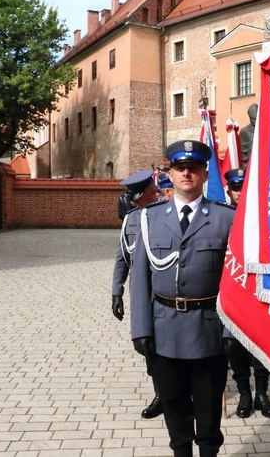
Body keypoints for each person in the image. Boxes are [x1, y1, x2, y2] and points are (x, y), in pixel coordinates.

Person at [130, 140, 235, 457]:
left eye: (193, 168)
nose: (186, 173)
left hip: (209, 330)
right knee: (175, 410)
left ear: (204, 173)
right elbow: (140, 278)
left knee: (208, 413)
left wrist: (232, 331)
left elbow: (235, 280)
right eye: (180, 168)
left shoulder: (225, 218)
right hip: (164, 331)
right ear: (170, 174)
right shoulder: (149, 219)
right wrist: (141, 330)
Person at [220, 166, 270, 419]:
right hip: (233, 292)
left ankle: (262, 393)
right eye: (235, 188)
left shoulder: (262, 217)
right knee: (234, 345)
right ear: (229, 190)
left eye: (244, 187)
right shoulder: (221, 217)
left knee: (262, 344)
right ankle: (244, 393)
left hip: (260, 290)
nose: (240, 192)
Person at [110, 169, 163, 419]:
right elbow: (122, 257)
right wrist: (116, 292)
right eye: (152, 193)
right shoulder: (130, 220)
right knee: (147, 344)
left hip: (165, 292)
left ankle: (178, 391)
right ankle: (160, 393)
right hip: (141, 294)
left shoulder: (165, 215)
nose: (158, 195)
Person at [239, 103, 258, 168]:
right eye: (253, 119)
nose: (256, 121)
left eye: (257, 119)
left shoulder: (265, 129)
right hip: (249, 167)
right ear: (250, 118)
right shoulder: (244, 131)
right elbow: (242, 154)